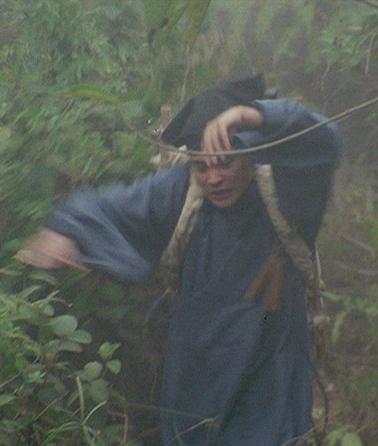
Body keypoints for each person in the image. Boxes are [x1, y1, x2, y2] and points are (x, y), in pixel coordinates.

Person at [18, 75, 341, 445]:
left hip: (271, 381)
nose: (213, 178)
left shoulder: (289, 192)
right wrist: (66, 229)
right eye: (202, 167)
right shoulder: (181, 192)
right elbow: (116, 205)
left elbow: (326, 140)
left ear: (251, 158)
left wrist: (249, 115)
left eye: (225, 164)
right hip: (196, 379)